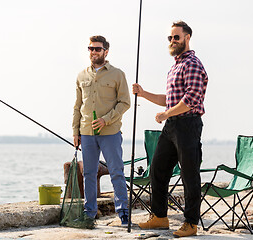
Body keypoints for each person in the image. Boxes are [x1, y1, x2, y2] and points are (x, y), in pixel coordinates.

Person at [133, 21, 208, 238]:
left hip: (187, 125)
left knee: (189, 175)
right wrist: (144, 93)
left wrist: (166, 114)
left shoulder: (192, 63)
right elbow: (170, 100)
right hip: (172, 126)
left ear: (187, 38)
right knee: (157, 169)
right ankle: (159, 217)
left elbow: (191, 100)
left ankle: (191, 223)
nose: (172, 41)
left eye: (176, 37)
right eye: (170, 38)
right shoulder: (175, 65)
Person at [72, 35, 131, 227]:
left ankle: (123, 213)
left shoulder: (117, 74)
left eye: (97, 49)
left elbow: (125, 102)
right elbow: (77, 106)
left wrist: (106, 120)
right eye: (90, 48)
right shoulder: (81, 76)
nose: (93, 52)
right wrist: (75, 131)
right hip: (86, 132)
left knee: (116, 172)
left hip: (110, 132)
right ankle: (89, 213)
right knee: (88, 173)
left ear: (106, 51)